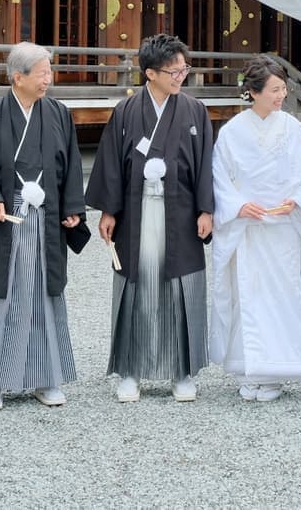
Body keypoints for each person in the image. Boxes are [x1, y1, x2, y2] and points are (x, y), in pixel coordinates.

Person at [86, 33, 214, 403]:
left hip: (182, 210)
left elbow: (206, 163)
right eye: (173, 70)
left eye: (183, 69)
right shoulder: (126, 111)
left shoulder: (194, 111)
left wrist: (207, 209)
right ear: (150, 73)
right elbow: (111, 164)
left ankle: (181, 372)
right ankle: (131, 371)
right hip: (137, 211)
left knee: (180, 290)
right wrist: (109, 211)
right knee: (136, 289)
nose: (180, 76)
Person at [0, 43, 88, 411]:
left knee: (42, 297)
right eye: (42, 73)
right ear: (19, 77)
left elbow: (72, 163)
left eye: (49, 72)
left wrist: (72, 207)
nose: (49, 79)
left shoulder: (59, 114)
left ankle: (45, 378)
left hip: (46, 219)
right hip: (7, 220)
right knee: (5, 296)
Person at [209, 55, 301, 402]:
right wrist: (237, 205)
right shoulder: (231, 132)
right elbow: (219, 178)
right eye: (274, 90)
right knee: (248, 294)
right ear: (253, 92)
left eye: (283, 89)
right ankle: (248, 368)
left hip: (284, 228)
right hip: (248, 226)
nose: (280, 96)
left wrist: (298, 200)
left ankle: (277, 369)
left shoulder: (292, 128)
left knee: (284, 295)